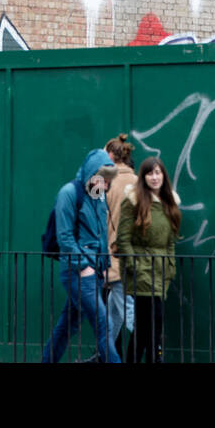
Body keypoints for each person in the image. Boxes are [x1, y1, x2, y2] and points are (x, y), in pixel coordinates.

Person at [42, 148, 121, 363]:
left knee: (68, 325)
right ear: (92, 173)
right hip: (77, 271)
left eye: (108, 181)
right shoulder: (68, 193)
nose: (106, 185)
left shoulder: (96, 195)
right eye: (103, 179)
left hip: (93, 271)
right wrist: (84, 267)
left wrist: (103, 265)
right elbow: (64, 237)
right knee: (104, 324)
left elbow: (100, 233)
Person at [117, 157, 181, 363]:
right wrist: (135, 266)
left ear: (164, 175)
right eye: (150, 173)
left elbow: (171, 241)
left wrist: (171, 267)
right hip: (142, 272)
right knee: (153, 325)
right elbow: (123, 239)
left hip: (161, 271)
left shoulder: (170, 202)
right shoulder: (133, 201)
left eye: (158, 173)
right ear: (143, 177)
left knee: (144, 329)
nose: (155, 177)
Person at [102, 134, 138, 359]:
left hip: (114, 257)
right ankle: (103, 354)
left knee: (129, 313)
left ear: (111, 156)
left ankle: (154, 350)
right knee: (112, 314)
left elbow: (92, 211)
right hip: (135, 258)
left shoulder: (102, 179)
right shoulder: (138, 181)